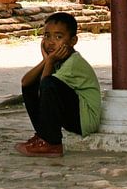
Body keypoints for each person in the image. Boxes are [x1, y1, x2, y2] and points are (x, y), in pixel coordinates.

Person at [16, 11, 101, 157]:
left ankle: (52, 143)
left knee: (49, 83)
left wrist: (49, 61)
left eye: (59, 37)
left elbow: (46, 88)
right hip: (74, 115)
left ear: (73, 41)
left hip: (85, 120)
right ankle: (43, 136)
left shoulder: (73, 62)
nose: (51, 42)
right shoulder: (56, 59)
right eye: (47, 36)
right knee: (32, 85)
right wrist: (46, 60)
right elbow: (25, 82)